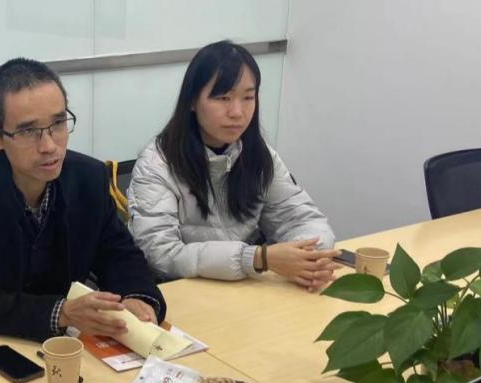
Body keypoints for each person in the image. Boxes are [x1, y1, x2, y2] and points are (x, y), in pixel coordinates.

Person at [0, 58, 166, 343]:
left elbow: (118, 253)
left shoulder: (89, 178)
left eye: (58, 123)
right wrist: (60, 313)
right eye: (28, 131)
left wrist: (138, 297)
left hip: (64, 343)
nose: (49, 146)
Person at [128, 40, 338, 290]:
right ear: (192, 101)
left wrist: (308, 257)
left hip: (247, 286)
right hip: (185, 291)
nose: (237, 112)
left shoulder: (260, 155)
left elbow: (301, 218)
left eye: (248, 97)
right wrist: (256, 258)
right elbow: (161, 254)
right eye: (223, 98)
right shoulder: (157, 164)